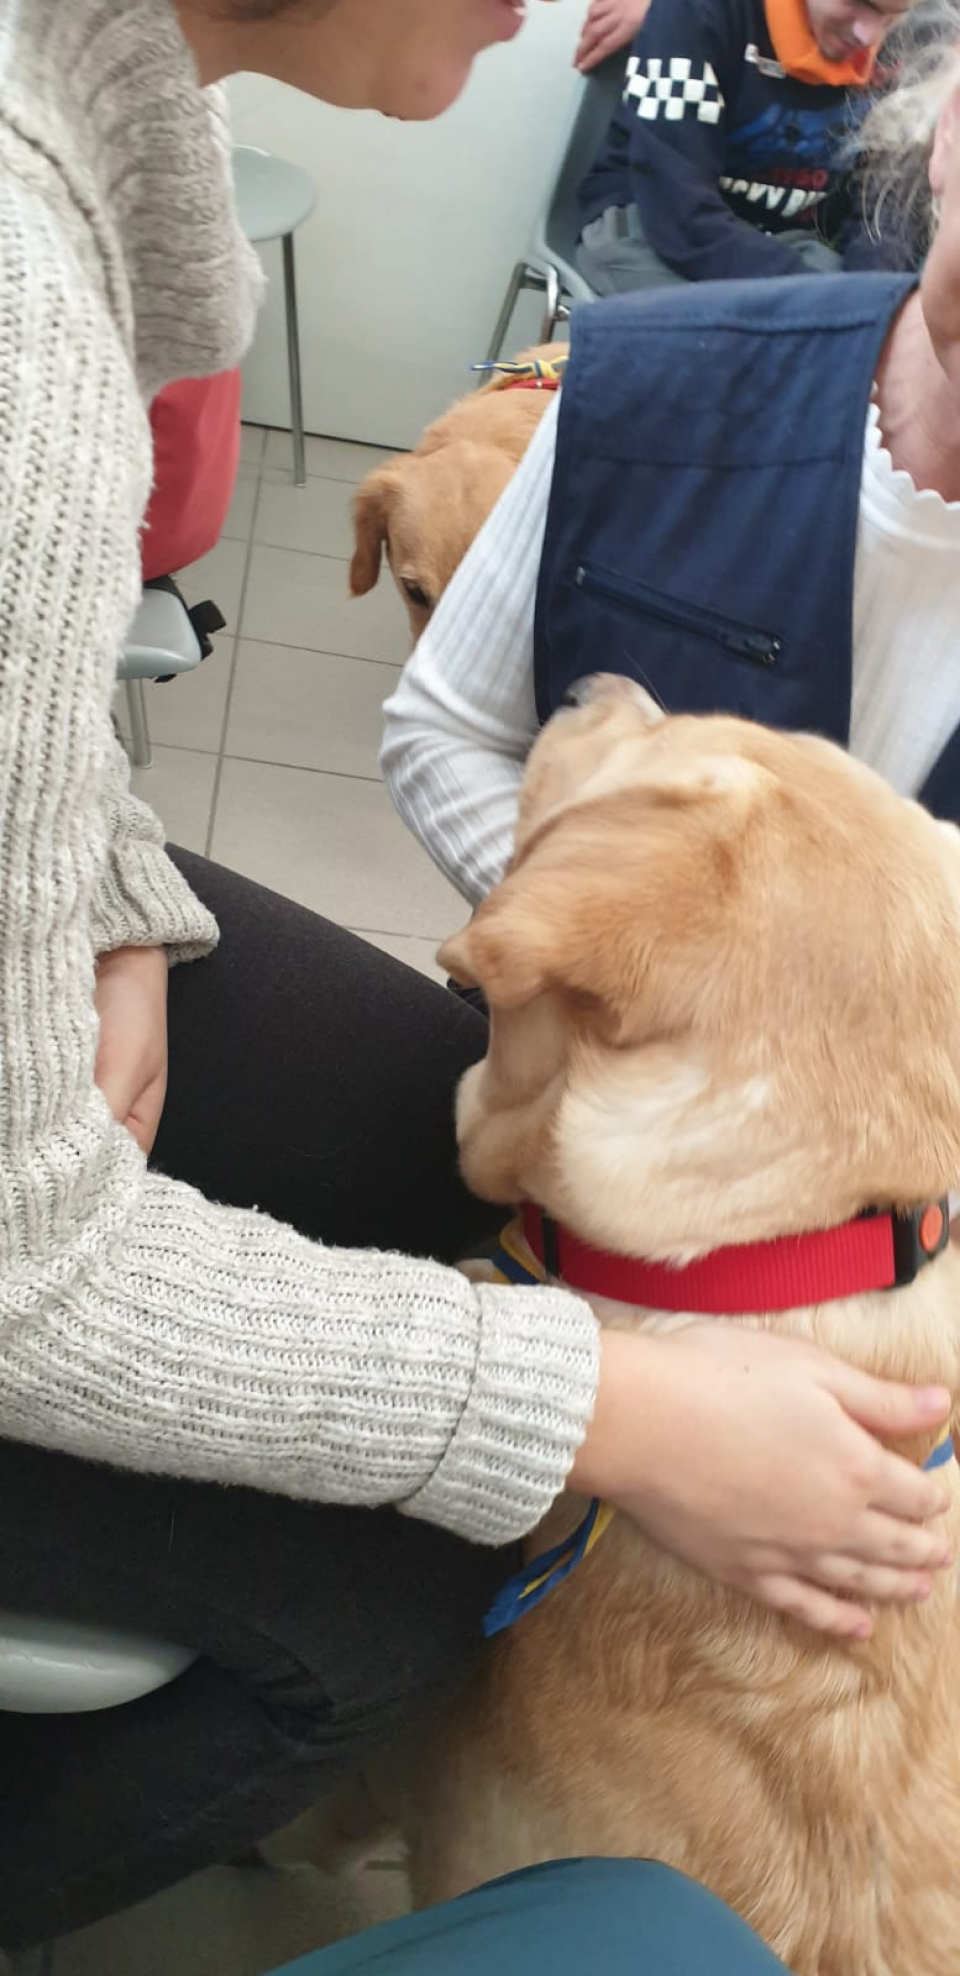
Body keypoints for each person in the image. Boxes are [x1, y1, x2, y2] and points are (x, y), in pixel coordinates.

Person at [0, 0, 952, 1955]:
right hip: (30, 1246)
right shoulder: (32, 331)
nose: (567, 14)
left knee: (411, 1142)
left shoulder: (81, 178)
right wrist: (614, 1408)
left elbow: (39, 699)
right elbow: (31, 1270)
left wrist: (103, 885)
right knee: (394, 1613)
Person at [574, 0, 913, 294]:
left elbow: (880, 217)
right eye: (859, 1)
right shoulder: (698, 12)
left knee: (887, 306)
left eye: (890, 14)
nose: (869, 35)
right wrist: (807, 302)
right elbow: (677, 211)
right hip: (654, 228)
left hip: (781, 243)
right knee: (731, 330)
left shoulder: (894, 50)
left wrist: (871, 304)